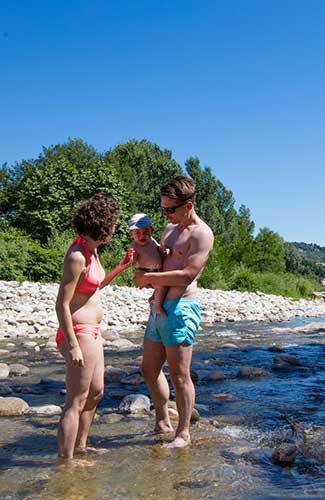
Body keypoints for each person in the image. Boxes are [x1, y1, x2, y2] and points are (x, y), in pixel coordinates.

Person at [134, 176, 214, 449]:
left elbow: (187, 276)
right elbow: (158, 261)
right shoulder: (170, 229)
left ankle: (183, 433)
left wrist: (149, 280)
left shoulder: (201, 234)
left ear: (188, 205)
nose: (166, 214)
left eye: (170, 209)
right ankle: (162, 419)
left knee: (180, 375)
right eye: (163, 208)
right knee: (148, 369)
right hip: (158, 307)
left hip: (181, 308)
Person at [55, 193, 134, 461]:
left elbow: (94, 286)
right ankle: (65, 463)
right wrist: (73, 344)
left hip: (94, 331)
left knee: (97, 392)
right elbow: (62, 304)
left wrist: (121, 268)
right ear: (103, 224)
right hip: (79, 332)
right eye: (113, 223)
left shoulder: (93, 249)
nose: (115, 228)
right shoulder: (77, 255)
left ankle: (81, 446)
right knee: (75, 400)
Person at [127, 213, 170, 317]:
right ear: (131, 234)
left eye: (145, 232)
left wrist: (164, 250)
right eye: (138, 233)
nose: (142, 236)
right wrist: (131, 258)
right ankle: (157, 307)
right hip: (145, 271)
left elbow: (158, 248)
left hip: (158, 271)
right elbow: (132, 262)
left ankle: (153, 298)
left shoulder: (152, 241)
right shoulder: (134, 246)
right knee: (161, 286)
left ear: (151, 231)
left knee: (166, 285)